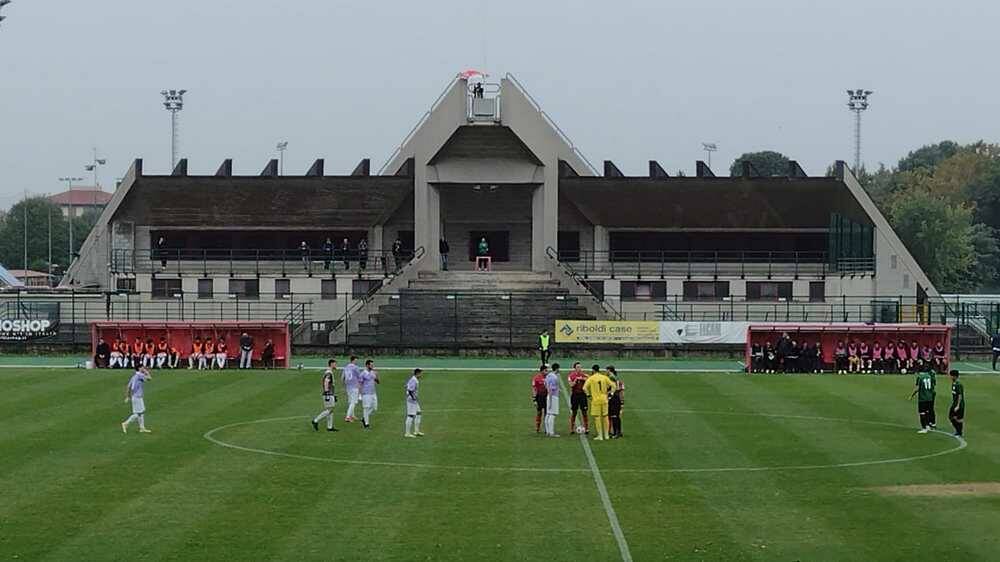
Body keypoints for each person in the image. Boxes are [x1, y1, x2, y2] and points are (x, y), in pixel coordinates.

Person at [583, 364, 615, 441]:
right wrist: (610, 394)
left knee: (597, 417)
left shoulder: (591, 378)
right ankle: (606, 435)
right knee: (605, 416)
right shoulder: (604, 377)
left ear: (593, 370)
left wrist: (588, 396)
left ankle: (600, 435)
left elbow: (584, 388)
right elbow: (613, 386)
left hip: (596, 400)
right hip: (604, 399)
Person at [121, 366, 152, 434]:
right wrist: (146, 372)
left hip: (134, 397)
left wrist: (127, 397)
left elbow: (128, 387)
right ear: (139, 368)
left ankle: (142, 428)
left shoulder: (134, 376)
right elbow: (149, 378)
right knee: (138, 413)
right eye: (142, 367)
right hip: (138, 397)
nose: (143, 368)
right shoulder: (140, 375)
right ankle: (125, 423)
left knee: (141, 412)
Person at [312, 359, 339, 433]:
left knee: (330, 410)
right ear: (331, 364)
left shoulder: (329, 372)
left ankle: (329, 427)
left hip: (330, 393)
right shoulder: (329, 373)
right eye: (335, 364)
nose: (336, 365)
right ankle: (315, 420)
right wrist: (327, 392)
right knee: (330, 410)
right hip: (328, 394)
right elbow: (326, 382)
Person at [909, 366, 937, 434]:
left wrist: (911, 395)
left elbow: (917, 388)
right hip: (930, 397)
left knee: (922, 413)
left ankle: (924, 428)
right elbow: (933, 385)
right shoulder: (930, 376)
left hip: (923, 398)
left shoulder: (920, 377)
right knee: (928, 411)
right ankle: (928, 425)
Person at [567, 362, 589, 434]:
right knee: (574, 412)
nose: (579, 369)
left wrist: (583, 379)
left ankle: (587, 428)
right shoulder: (571, 376)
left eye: (580, 367)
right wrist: (576, 380)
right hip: (575, 395)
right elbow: (571, 385)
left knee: (584, 412)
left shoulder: (584, 375)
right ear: (575, 368)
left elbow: (589, 379)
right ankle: (571, 428)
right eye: (578, 367)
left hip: (582, 395)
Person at [404, 368, 425, 438]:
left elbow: (406, 386)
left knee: (419, 413)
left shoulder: (413, 379)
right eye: (421, 373)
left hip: (414, 400)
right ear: (418, 373)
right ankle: (407, 433)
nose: (422, 375)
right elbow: (410, 390)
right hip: (411, 401)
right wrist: (413, 398)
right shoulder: (414, 380)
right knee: (410, 415)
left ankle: (416, 431)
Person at [359, 359, 380, 429]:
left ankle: (364, 418)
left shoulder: (373, 372)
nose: (372, 366)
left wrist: (377, 376)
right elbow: (360, 383)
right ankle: (366, 424)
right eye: (371, 365)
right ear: (367, 365)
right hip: (366, 393)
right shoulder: (363, 373)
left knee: (375, 407)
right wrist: (360, 393)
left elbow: (378, 382)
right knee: (366, 408)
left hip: (373, 392)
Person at [342, 355, 362, 422]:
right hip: (354, 386)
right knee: (353, 402)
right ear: (353, 360)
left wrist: (344, 384)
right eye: (356, 360)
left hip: (348, 386)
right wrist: (360, 384)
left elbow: (342, 377)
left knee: (350, 401)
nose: (357, 362)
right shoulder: (356, 367)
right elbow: (359, 376)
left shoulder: (346, 367)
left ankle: (352, 415)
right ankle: (347, 417)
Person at [543, 363, 561, 437]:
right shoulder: (554, 377)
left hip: (549, 396)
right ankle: (551, 432)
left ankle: (547, 431)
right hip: (553, 397)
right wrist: (550, 399)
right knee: (552, 414)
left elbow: (546, 384)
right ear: (556, 369)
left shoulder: (548, 375)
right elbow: (551, 389)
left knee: (548, 414)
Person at [607, 366, 625, 438]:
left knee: (614, 416)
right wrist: (622, 402)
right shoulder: (619, 381)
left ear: (610, 371)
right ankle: (619, 432)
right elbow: (622, 392)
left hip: (613, 399)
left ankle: (615, 433)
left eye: (607, 371)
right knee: (617, 416)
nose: (606, 372)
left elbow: (610, 389)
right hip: (618, 399)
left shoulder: (611, 379)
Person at [948, 370, 965, 438]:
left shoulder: (958, 384)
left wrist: (958, 405)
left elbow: (960, 395)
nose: (950, 377)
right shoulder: (954, 383)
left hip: (959, 404)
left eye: (951, 376)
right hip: (954, 403)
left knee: (958, 419)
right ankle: (958, 431)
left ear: (954, 376)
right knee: (951, 417)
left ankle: (959, 432)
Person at [531, 365, 547, 433]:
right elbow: (534, 389)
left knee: (547, 413)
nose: (547, 372)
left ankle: (547, 428)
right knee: (539, 412)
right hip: (540, 397)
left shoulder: (548, 377)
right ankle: (537, 427)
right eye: (545, 370)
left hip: (547, 397)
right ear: (541, 371)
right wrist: (534, 399)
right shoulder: (536, 378)